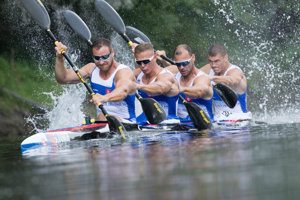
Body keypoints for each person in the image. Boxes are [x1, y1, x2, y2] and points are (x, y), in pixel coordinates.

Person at [54, 38, 137, 122]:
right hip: (103, 122)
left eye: (105, 57)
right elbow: (63, 79)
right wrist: (60, 58)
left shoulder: (123, 71)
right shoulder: (91, 69)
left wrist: (104, 98)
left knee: (102, 117)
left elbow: (123, 91)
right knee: (101, 117)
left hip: (127, 123)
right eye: (97, 58)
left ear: (112, 52)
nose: (101, 62)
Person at [156, 45, 214, 122]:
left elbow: (199, 91)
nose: (181, 67)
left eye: (185, 63)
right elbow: (148, 72)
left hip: (202, 124)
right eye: (178, 64)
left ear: (193, 57)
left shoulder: (202, 78)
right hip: (181, 124)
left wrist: (178, 89)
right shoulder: (175, 71)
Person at [200, 43, 251, 121]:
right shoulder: (209, 68)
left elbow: (233, 80)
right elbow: (193, 75)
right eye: (210, 61)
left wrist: (211, 78)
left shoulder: (235, 71)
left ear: (226, 58)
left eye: (217, 61)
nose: (213, 65)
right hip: (218, 121)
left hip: (240, 122)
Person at [132, 42, 179, 124]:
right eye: (139, 62)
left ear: (154, 58)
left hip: (167, 122)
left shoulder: (165, 75)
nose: (142, 66)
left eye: (146, 61)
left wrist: (138, 86)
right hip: (144, 120)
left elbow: (160, 88)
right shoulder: (138, 73)